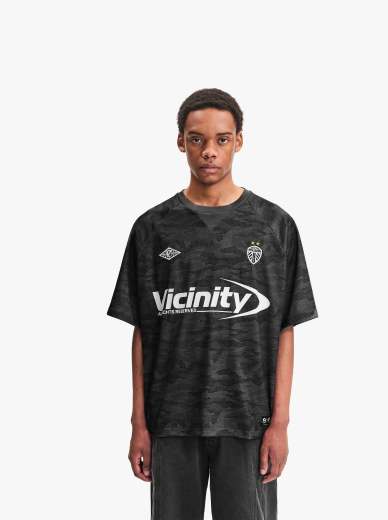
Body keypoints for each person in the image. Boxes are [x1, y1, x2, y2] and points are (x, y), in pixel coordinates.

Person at [107, 87, 318, 520]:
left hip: (248, 420)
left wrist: (280, 424)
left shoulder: (274, 226)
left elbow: (285, 330)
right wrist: (139, 424)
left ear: (238, 141)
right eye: (197, 138)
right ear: (180, 142)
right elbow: (143, 332)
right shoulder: (152, 228)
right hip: (171, 420)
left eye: (221, 139)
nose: (209, 151)